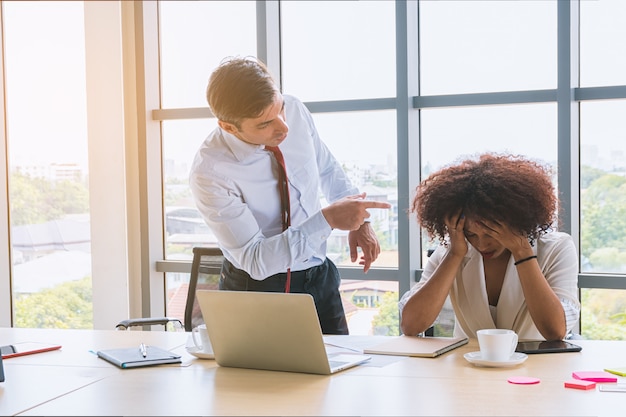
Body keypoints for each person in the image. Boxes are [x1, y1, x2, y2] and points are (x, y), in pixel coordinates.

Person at [189, 56, 391, 335]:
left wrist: (359, 218)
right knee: (260, 379)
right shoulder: (211, 171)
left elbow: (327, 167)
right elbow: (255, 260)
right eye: (264, 124)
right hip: (256, 291)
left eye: (280, 110)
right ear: (229, 127)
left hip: (318, 276)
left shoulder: (294, 108)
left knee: (342, 372)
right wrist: (328, 219)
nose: (284, 126)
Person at [398, 153, 580, 341]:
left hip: (536, 367)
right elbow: (411, 325)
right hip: (467, 367)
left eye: (490, 234)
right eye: (471, 234)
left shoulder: (556, 248)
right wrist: (454, 255)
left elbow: (556, 331)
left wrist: (522, 252)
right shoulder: (451, 252)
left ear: (515, 220)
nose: (481, 244)